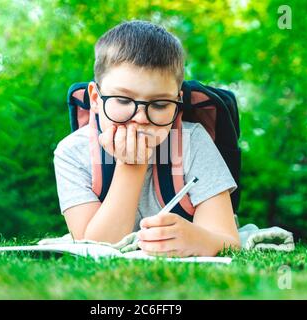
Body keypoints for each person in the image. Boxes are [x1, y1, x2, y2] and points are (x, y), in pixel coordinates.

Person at [54, 20, 240, 257]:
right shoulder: (72, 153)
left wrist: (198, 239)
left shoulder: (193, 142)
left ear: (177, 102)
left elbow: (227, 240)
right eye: (122, 100)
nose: (141, 118)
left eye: (160, 104)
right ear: (95, 99)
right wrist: (132, 165)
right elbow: (95, 247)